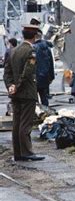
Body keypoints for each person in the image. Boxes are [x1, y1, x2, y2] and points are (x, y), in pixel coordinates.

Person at [3, 24, 45, 161]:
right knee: (26, 124)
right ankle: (27, 152)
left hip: (15, 94)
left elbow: (7, 72)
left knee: (17, 123)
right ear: (35, 35)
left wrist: (11, 86)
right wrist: (18, 86)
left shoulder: (13, 51)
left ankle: (18, 153)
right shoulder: (30, 51)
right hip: (27, 92)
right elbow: (28, 72)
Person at [34, 29, 55, 106]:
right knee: (44, 97)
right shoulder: (47, 48)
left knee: (34, 99)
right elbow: (51, 63)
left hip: (35, 77)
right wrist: (51, 77)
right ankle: (46, 113)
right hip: (45, 76)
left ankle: (37, 114)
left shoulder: (33, 48)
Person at [3, 38, 17, 116]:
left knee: (12, 93)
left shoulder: (8, 51)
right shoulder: (18, 50)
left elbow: (6, 63)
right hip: (16, 75)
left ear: (11, 43)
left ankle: (12, 111)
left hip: (10, 75)